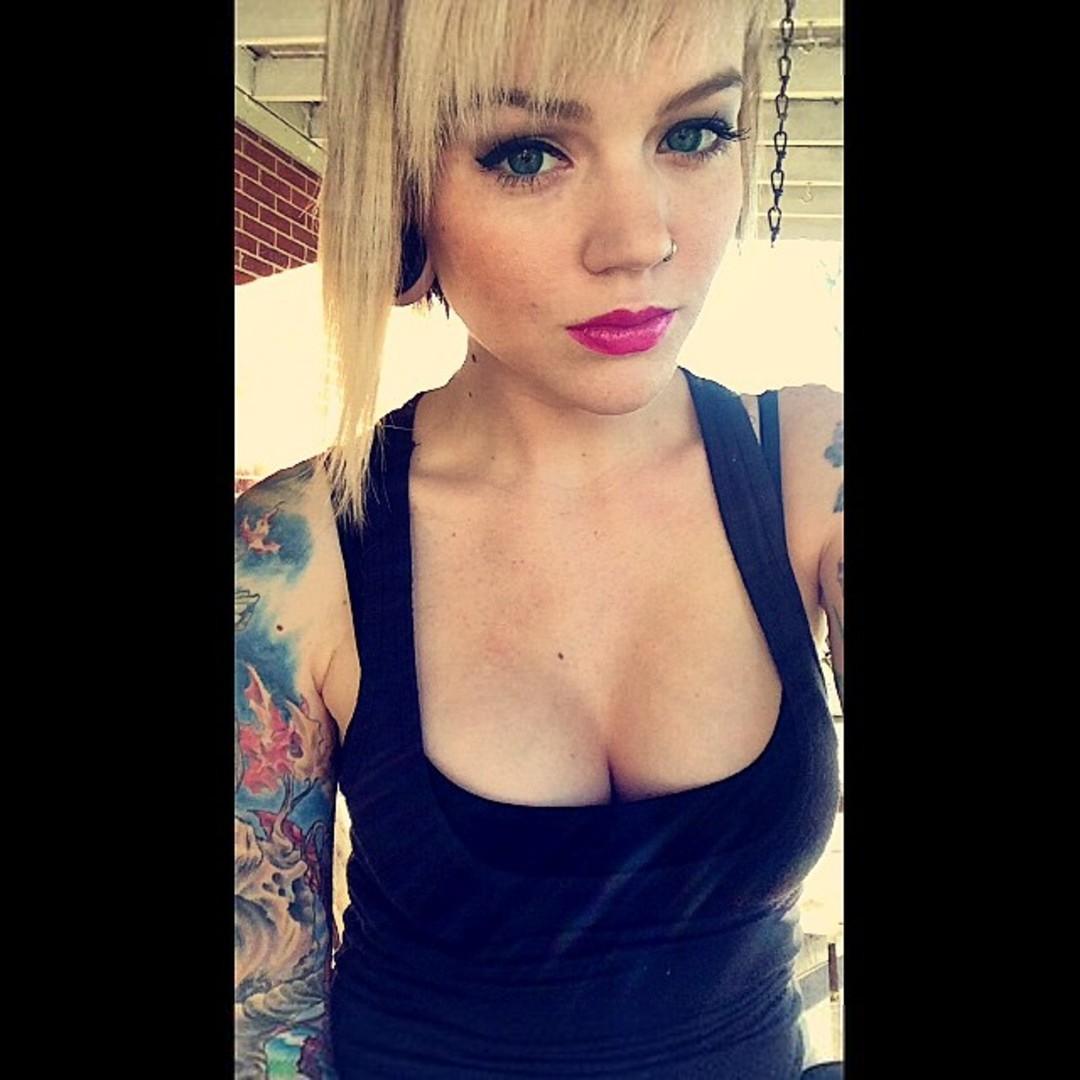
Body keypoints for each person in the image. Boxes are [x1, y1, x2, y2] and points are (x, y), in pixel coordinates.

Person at [234, 1, 844, 1076]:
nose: (642, 241)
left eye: (693, 133)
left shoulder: (811, 474)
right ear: (405, 183)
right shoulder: (292, 556)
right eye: (528, 154)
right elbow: (267, 1026)